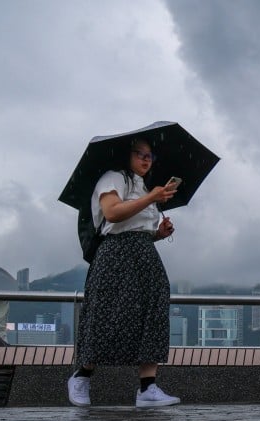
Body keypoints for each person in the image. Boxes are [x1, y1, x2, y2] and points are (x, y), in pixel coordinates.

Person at [67, 138, 181, 407]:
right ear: (125, 155)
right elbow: (113, 213)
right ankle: (81, 376)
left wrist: (158, 234)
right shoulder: (113, 178)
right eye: (139, 154)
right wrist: (152, 197)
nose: (146, 159)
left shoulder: (142, 185)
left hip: (144, 253)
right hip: (115, 254)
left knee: (151, 313)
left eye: (150, 155)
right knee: (107, 313)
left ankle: (147, 387)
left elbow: (136, 227)